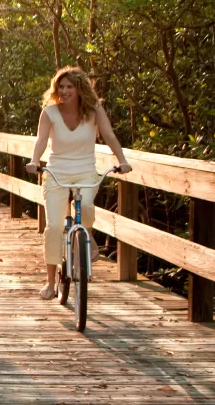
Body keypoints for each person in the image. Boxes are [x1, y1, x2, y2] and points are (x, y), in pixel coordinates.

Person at [25, 67, 133, 300]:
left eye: (69, 87)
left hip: (85, 172)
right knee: (54, 226)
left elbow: (110, 136)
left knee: (84, 209)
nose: (64, 91)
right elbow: (41, 141)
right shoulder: (50, 113)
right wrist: (35, 161)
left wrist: (122, 161)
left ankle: (85, 241)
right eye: (61, 87)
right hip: (56, 173)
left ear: (80, 88)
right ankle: (51, 282)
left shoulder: (94, 111)